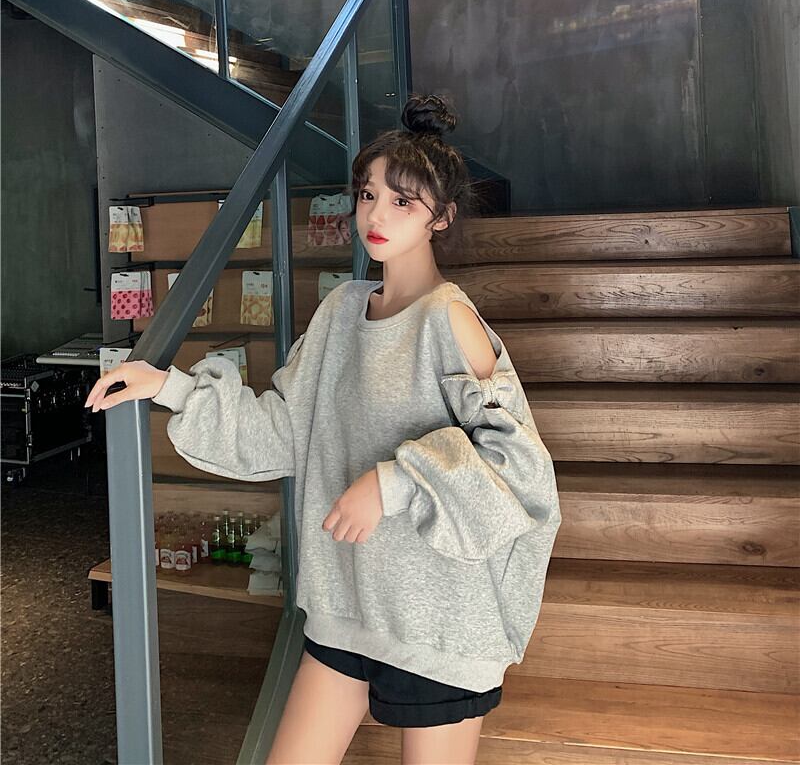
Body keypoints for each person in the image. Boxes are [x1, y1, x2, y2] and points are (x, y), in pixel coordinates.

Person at [84, 93, 562, 765]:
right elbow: (283, 430)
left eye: (403, 201)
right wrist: (171, 387)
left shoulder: (449, 321)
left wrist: (393, 483)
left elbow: (519, 469)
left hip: (440, 619)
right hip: (345, 604)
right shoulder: (341, 311)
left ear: (443, 217)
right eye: (368, 195)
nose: (376, 215)